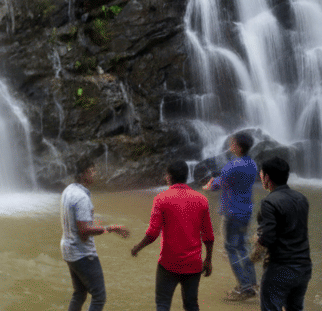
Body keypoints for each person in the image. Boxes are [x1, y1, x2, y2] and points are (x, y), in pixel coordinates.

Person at [131, 161, 214, 311]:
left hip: (168, 263)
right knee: (191, 305)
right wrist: (208, 259)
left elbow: (152, 233)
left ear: (168, 177)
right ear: (187, 176)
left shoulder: (161, 199)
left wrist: (138, 247)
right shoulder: (202, 200)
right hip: (193, 264)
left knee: (163, 304)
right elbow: (208, 235)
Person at [60, 158, 130, 311]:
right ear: (84, 173)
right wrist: (111, 228)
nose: (95, 174)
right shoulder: (82, 197)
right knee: (99, 296)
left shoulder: (68, 191)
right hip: (83, 254)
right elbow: (84, 232)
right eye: (92, 170)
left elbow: (78, 224)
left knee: (79, 293)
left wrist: (94, 224)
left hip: (68, 249)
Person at [202, 132, 259, 300]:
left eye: (232, 143)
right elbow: (228, 180)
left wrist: (210, 185)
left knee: (231, 249)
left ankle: (245, 287)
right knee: (243, 247)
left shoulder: (232, 166)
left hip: (232, 212)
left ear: (238, 147)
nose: (229, 145)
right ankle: (252, 283)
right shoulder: (252, 164)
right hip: (246, 211)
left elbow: (218, 184)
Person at [254, 156, 311, 311]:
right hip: (304, 266)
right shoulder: (302, 198)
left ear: (266, 177)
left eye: (261, 173)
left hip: (281, 267)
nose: (260, 176)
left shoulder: (269, 202)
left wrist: (255, 254)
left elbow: (268, 237)